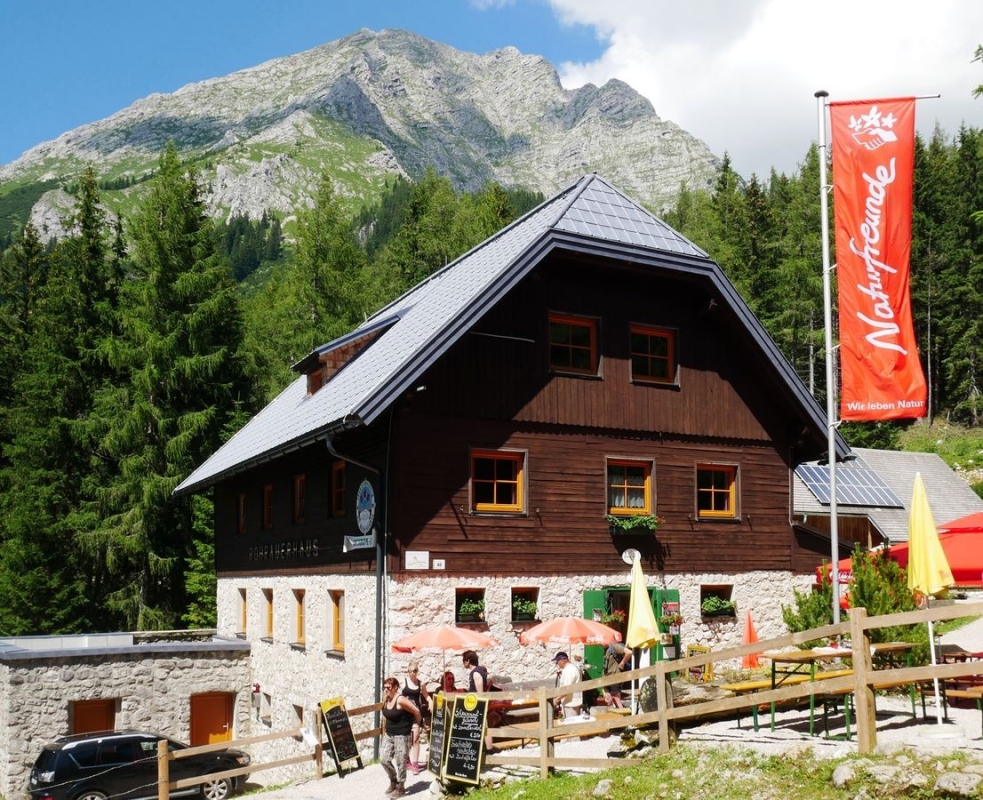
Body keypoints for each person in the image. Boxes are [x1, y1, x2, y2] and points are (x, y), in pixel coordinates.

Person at [380, 676, 421, 797]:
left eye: (388, 687)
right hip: (389, 734)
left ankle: (401, 786)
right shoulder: (386, 698)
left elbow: (416, 711)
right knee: (384, 759)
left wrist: (418, 725)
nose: (386, 689)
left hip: (402, 735)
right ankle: (393, 780)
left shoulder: (400, 699)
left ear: (396, 688)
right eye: (384, 687)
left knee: (400, 762)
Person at [462, 650, 499, 753]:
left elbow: (480, 692)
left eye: (464, 660)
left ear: (468, 661)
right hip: (477, 704)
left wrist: (479, 706)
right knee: (483, 726)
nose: (463, 663)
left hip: (478, 705)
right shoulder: (478, 671)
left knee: (483, 726)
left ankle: (488, 749)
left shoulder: (476, 673)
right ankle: (486, 749)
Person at [401, 660, 430, 774]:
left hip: (416, 714)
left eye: (416, 670)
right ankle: (407, 759)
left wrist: (431, 701)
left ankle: (415, 764)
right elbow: (398, 696)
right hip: (404, 714)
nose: (414, 673)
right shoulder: (403, 683)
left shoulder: (420, 684)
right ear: (408, 671)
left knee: (416, 738)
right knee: (405, 739)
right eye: (412, 671)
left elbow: (426, 695)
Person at [552, 651, 584, 719]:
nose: (557, 664)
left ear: (562, 660)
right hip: (573, 702)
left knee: (571, 725)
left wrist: (557, 700)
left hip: (570, 703)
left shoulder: (569, 671)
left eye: (557, 662)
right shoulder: (570, 668)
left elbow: (567, 689)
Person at [602, 642, 632, 708]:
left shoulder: (615, 646)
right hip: (607, 679)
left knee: (616, 699)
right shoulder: (606, 649)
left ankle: (623, 717)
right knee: (609, 700)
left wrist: (622, 663)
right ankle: (612, 717)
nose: (599, 643)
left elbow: (629, 652)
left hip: (615, 677)